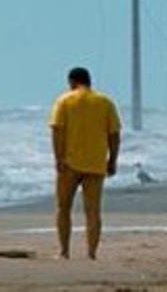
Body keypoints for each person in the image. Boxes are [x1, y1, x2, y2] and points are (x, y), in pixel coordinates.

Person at [48, 66, 121, 260]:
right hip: (96, 163)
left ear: (72, 82)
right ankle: (91, 253)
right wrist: (112, 160)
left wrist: (58, 158)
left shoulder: (64, 100)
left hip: (69, 163)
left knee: (64, 208)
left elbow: (57, 131)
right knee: (93, 211)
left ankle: (64, 252)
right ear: (89, 81)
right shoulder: (105, 102)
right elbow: (114, 134)